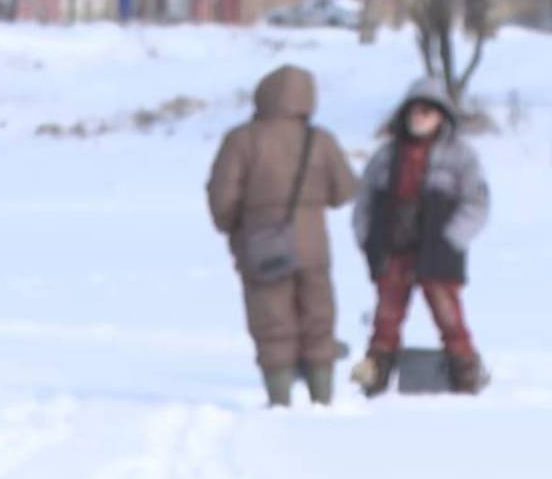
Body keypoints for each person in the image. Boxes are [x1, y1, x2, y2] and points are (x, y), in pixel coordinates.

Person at [207, 65, 358, 406]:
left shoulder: (242, 139)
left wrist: (237, 226)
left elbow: (222, 198)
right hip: (314, 247)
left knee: (272, 319)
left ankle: (279, 399)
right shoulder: (320, 140)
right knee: (318, 318)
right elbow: (345, 190)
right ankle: (323, 397)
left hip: (261, 244)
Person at [350, 77, 490, 396]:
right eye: (414, 110)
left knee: (449, 317)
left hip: (438, 251)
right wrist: (366, 238)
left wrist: (453, 237)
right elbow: (364, 202)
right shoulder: (385, 156)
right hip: (393, 250)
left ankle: (466, 374)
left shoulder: (461, 157)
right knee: (386, 318)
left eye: (427, 110)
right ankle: (375, 376)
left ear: (441, 115)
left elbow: (477, 202)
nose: (419, 116)